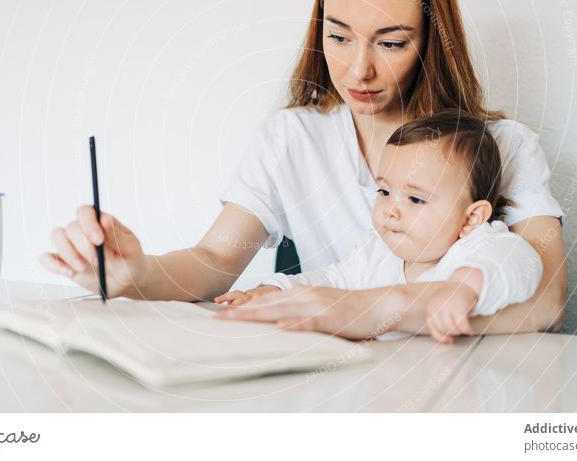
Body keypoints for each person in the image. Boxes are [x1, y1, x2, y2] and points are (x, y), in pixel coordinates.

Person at [41, 0, 567, 340]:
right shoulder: (291, 138)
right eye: (338, 37)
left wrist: (377, 310)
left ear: (431, 43)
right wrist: (134, 274)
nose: (357, 69)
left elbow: (546, 301)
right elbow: (215, 261)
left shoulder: (503, 145)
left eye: (390, 43)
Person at [215, 110, 542, 344]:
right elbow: (334, 280)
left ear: (471, 218)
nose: (391, 211)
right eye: (384, 191)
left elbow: (520, 261)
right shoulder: (378, 252)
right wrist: (277, 290)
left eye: (415, 199)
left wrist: (463, 288)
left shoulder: (478, 247)